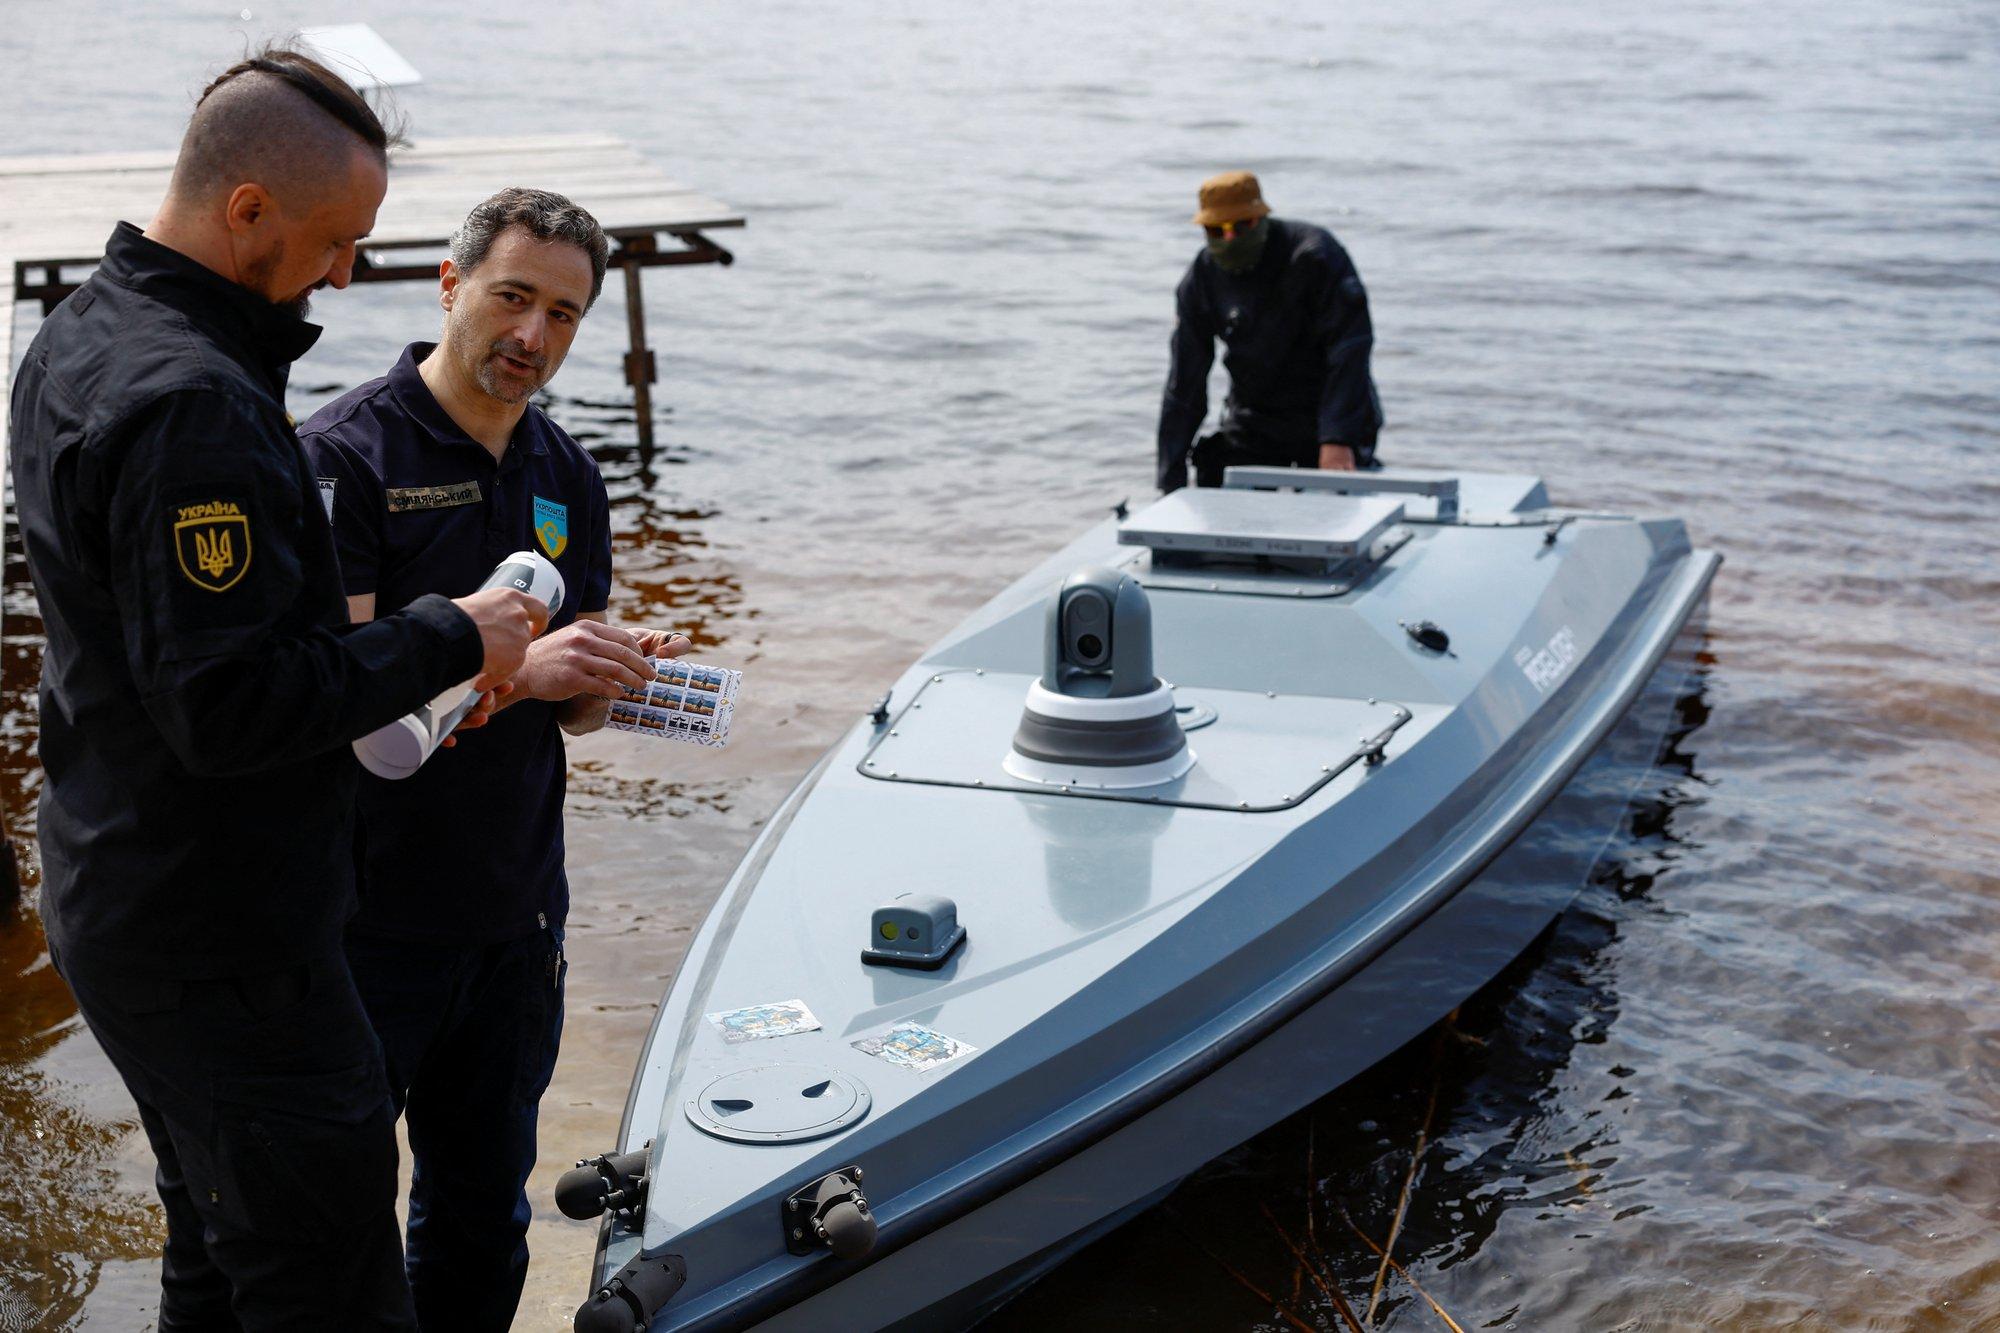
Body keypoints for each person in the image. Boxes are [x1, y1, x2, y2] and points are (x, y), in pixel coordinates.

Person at [7, 47, 548, 1330]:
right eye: (332, 241)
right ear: (245, 209)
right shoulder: (194, 402)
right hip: (224, 948)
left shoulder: (78, 332)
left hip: (113, 890)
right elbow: (234, 706)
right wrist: (451, 633)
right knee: (328, 1280)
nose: (345, 273)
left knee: (215, 1247)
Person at [300, 187, 687, 1330]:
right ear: (448, 284)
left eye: (564, 315)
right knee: (327, 1220)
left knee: (481, 1218)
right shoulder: (344, 455)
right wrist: (527, 670)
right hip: (363, 919)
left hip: (515, 916)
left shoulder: (567, 472)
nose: (533, 336)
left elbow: (570, 717)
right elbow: (335, 707)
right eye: (512, 297)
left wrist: (617, 675)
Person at [1156, 170, 1384, 492]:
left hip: (1324, 412)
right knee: (1215, 477)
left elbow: (1350, 349)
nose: (1230, 239)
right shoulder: (1202, 278)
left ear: (1261, 217)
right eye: (1216, 231)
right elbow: (1185, 381)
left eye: (1241, 226)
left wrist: (1338, 437)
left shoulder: (1315, 256)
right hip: (1256, 418)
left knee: (1329, 515)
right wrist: (1170, 475)